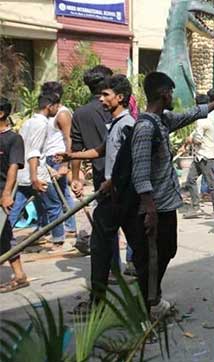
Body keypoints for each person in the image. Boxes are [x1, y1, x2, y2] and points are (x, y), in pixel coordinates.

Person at [128, 72, 214, 312]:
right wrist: (149, 208)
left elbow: (192, 114)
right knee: (153, 254)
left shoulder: (163, 121)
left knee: (167, 249)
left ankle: (152, 297)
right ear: (163, 93)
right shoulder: (145, 127)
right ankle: (149, 301)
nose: (172, 96)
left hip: (166, 202)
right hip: (155, 204)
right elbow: (139, 171)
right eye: (170, 92)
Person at [55, 74, 137, 306]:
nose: (101, 100)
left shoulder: (128, 126)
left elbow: (129, 163)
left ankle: (148, 300)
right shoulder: (114, 124)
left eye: (106, 95)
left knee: (119, 249)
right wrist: (71, 155)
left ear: (120, 97)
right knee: (101, 248)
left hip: (121, 197)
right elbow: (100, 151)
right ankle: (99, 300)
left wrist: (111, 181)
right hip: (111, 196)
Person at [70, 65, 126, 275]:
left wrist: (75, 177)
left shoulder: (80, 113)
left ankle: (114, 268)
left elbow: (76, 147)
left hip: (101, 175)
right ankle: (131, 263)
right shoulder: (116, 109)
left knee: (107, 224)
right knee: (128, 219)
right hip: (122, 174)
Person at [19, 94, 65, 247]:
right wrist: (35, 178)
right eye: (57, 106)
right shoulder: (42, 125)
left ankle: (39, 231)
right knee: (54, 205)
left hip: (23, 173)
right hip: (37, 175)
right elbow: (34, 152)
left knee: (15, 209)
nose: (58, 109)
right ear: (49, 106)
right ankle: (58, 238)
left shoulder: (28, 123)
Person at [40, 82, 77, 237]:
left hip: (57, 157)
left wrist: (65, 162)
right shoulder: (50, 113)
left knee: (61, 194)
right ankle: (62, 226)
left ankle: (69, 226)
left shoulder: (62, 114)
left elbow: (69, 138)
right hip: (47, 157)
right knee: (58, 192)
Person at [0, 97, 28, 293]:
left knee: (5, 233)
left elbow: (13, 167)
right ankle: (19, 275)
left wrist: (7, 193)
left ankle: (19, 276)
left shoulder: (13, 139)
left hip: (2, 192)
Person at [181, 94, 214, 219]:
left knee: (211, 184)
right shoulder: (209, 117)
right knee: (190, 180)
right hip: (199, 156)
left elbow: (198, 139)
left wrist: (190, 140)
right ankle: (196, 208)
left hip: (206, 156)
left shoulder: (202, 120)